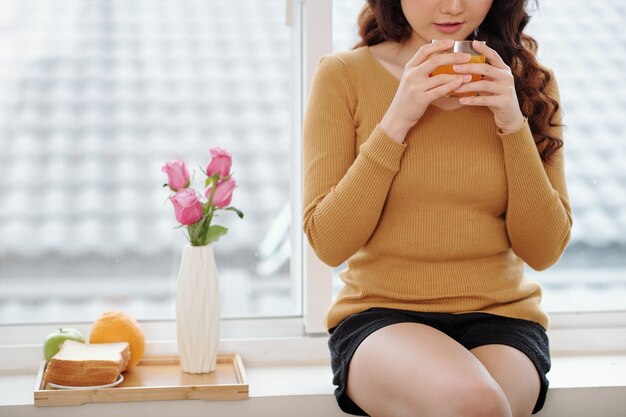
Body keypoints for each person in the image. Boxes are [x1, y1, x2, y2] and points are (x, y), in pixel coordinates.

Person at [302, 1, 572, 416]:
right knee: (476, 403)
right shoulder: (343, 76)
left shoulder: (528, 85)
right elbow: (329, 242)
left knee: (481, 405)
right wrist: (398, 117)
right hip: (382, 315)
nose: (452, 6)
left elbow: (544, 250)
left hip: (502, 317)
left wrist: (512, 124)